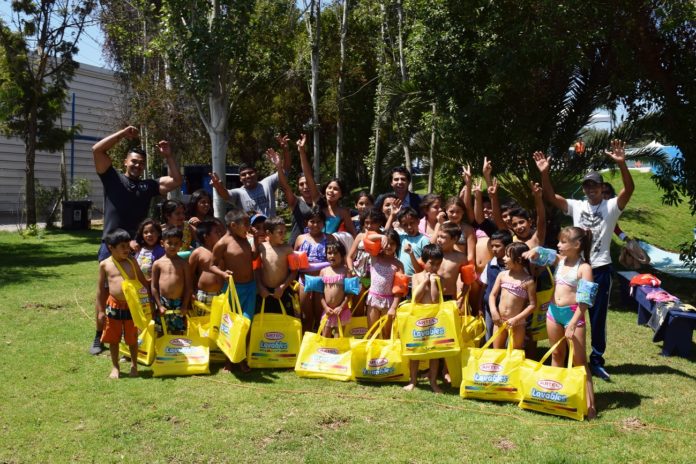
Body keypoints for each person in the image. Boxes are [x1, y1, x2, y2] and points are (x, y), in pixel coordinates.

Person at [534, 139, 634, 381]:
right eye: (587, 187)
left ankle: (596, 360)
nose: (591, 190)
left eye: (595, 187)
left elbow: (628, 190)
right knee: (569, 313)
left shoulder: (611, 207)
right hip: (575, 269)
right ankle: (568, 357)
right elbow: (550, 196)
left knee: (597, 317)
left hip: (600, 269)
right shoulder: (577, 206)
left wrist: (622, 165)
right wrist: (545, 173)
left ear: (602, 188)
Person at [90, 125, 182, 355]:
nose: (137, 165)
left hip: (135, 248)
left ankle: (134, 334)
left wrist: (169, 156)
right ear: (125, 162)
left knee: (136, 293)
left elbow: (176, 181)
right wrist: (122, 134)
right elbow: (97, 150)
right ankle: (99, 336)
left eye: (141, 162)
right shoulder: (112, 178)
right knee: (106, 293)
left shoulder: (147, 185)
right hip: (109, 247)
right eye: (134, 161)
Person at [524, 227, 597, 418]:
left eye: (563, 242)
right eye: (559, 241)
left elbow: (585, 301)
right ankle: (555, 397)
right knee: (556, 354)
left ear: (576, 245)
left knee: (580, 362)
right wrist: (533, 251)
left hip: (573, 315)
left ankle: (590, 405)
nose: (558, 245)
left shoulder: (584, 268)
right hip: (553, 313)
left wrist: (573, 323)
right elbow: (541, 254)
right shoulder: (560, 260)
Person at [97, 229, 151, 379]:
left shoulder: (132, 261)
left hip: (132, 306)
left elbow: (143, 283)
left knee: (132, 338)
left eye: (128, 245)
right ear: (111, 247)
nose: (127, 249)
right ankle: (115, 367)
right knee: (113, 339)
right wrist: (101, 311)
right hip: (113, 305)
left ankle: (134, 365)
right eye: (122, 246)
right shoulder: (104, 265)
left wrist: (148, 303)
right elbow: (100, 290)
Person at [209, 209, 258, 372]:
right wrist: (223, 273)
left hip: (250, 287)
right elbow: (211, 265)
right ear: (233, 225)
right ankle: (229, 360)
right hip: (232, 289)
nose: (249, 227)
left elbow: (253, 257)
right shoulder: (223, 243)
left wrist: (256, 239)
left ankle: (242, 359)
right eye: (246, 224)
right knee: (229, 325)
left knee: (246, 324)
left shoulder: (245, 239)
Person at [209, 135, 290, 217]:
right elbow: (225, 195)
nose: (247, 176)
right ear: (240, 179)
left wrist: (285, 150)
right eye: (243, 175)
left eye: (250, 173)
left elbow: (284, 171)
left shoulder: (267, 183)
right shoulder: (239, 193)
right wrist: (218, 188)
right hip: (251, 230)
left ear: (256, 174)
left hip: (271, 227)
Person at [404, 244, 445, 393]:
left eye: (438, 264)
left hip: (434, 320)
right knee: (416, 351)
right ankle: (413, 381)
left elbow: (435, 299)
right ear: (424, 261)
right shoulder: (416, 276)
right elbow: (416, 296)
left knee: (434, 352)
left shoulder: (439, 279)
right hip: (418, 319)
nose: (434, 267)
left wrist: (433, 282)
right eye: (431, 263)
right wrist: (425, 281)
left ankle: (433, 381)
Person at [488, 242, 537, 350]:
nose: (504, 258)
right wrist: (493, 311)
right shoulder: (502, 275)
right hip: (499, 321)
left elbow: (532, 305)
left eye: (507, 256)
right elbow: (492, 295)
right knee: (497, 351)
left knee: (515, 353)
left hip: (517, 324)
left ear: (518, 260)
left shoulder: (528, 281)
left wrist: (516, 319)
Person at [294, 206, 331, 332]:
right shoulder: (301, 238)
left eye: (319, 221)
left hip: (323, 282)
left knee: (320, 316)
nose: (315, 224)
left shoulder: (330, 239)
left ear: (323, 223)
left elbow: (335, 261)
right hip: (305, 281)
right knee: (306, 316)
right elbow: (294, 261)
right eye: (312, 221)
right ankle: (306, 344)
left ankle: (319, 343)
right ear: (306, 222)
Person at [151, 227, 192, 335]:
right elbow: (154, 287)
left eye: (176, 243)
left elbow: (188, 286)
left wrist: (185, 305)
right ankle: (161, 351)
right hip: (163, 302)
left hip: (179, 302)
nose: (173, 246)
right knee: (161, 331)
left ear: (181, 244)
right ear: (162, 243)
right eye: (170, 243)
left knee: (178, 331)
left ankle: (176, 352)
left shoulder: (184, 264)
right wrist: (159, 305)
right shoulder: (157, 264)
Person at [365, 229, 404, 337]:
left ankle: (386, 354)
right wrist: (382, 236)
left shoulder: (398, 264)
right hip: (373, 299)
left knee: (387, 334)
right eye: (386, 243)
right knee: (372, 332)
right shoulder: (375, 256)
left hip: (389, 302)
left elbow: (399, 288)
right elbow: (367, 238)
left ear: (397, 245)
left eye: (392, 243)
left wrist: (394, 307)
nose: (388, 246)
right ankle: (374, 354)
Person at [256, 216, 297, 314]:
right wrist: (260, 287)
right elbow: (255, 269)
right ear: (268, 233)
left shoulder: (288, 249)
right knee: (265, 321)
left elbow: (294, 271)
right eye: (280, 232)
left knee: (285, 321)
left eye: (285, 231)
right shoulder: (261, 248)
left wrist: (282, 287)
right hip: (264, 292)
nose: (284, 235)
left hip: (283, 291)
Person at [480, 229, 514, 339]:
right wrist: (480, 307)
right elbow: (483, 287)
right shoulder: (490, 265)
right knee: (489, 336)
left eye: (497, 246)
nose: (494, 249)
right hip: (490, 309)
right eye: (492, 246)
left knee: (508, 339)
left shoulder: (515, 268)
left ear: (508, 246)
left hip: (509, 311)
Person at [189, 220, 225, 309]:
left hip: (220, 294)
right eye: (216, 232)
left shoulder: (222, 251)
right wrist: (191, 292)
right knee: (203, 322)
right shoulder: (198, 252)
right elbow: (189, 274)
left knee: (218, 321)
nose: (219, 234)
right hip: (203, 294)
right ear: (206, 236)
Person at [319, 241, 351, 337]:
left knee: (339, 338)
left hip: (341, 310)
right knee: (325, 336)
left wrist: (341, 307)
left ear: (342, 255)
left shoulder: (346, 272)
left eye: (335, 253)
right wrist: (325, 307)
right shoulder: (323, 271)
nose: (332, 256)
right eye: (329, 253)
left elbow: (349, 293)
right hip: (328, 311)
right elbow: (319, 293)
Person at [435, 222, 469, 302]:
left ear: (455, 239)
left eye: (443, 237)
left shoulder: (461, 258)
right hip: (432, 296)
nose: (439, 240)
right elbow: (419, 270)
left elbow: (468, 281)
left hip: (450, 297)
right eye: (438, 236)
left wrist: (462, 297)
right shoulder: (432, 254)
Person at [396, 207, 431, 284]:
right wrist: (392, 216)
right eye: (405, 225)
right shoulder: (401, 238)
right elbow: (385, 236)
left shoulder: (424, 240)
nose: (409, 227)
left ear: (418, 221)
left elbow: (426, 265)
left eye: (412, 223)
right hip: (400, 281)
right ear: (401, 226)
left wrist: (411, 254)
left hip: (416, 281)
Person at [134, 218, 164, 283]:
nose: (149, 234)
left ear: (158, 233)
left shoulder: (161, 251)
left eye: (152, 231)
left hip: (153, 285)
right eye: (145, 232)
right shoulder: (138, 249)